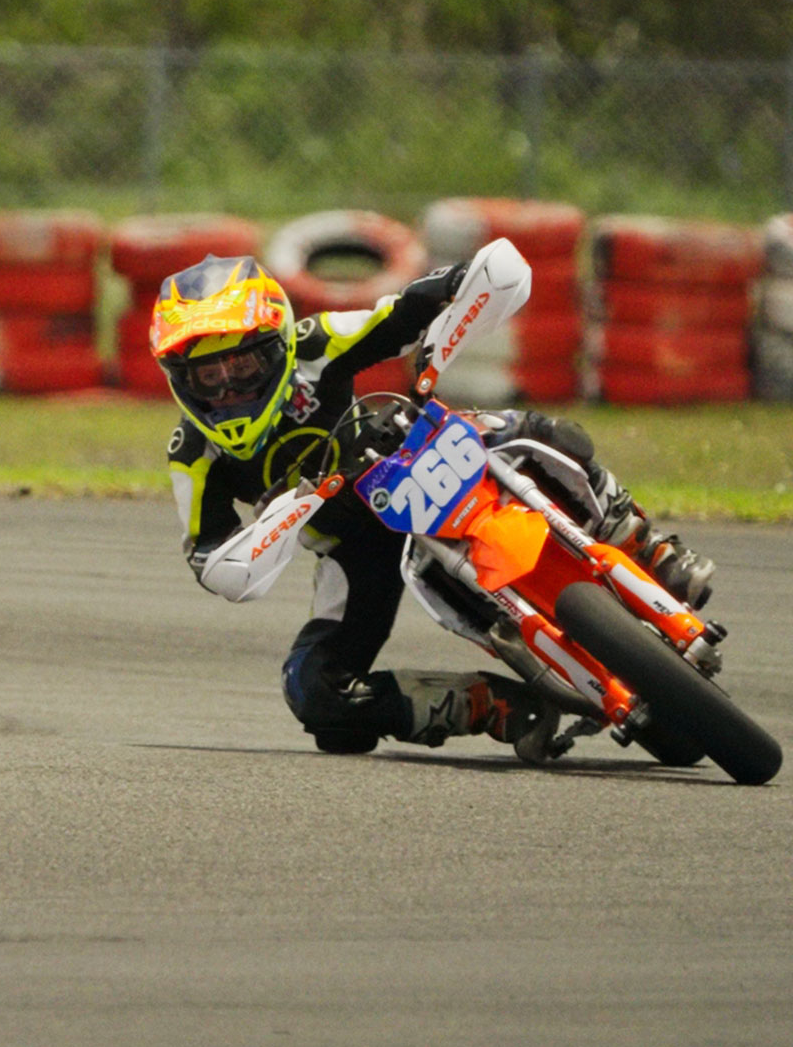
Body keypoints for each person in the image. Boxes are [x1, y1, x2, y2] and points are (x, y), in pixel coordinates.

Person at [149, 253, 715, 758]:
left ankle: (647, 544)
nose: (228, 389)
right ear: (181, 381)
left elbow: (399, 314)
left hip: (416, 452)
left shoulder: (317, 342)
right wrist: (284, 514)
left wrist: (455, 283)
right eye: (208, 374)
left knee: (539, 433)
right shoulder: (194, 454)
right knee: (316, 694)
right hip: (355, 545)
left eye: (243, 366)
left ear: (277, 347)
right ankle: (484, 705)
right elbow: (214, 561)